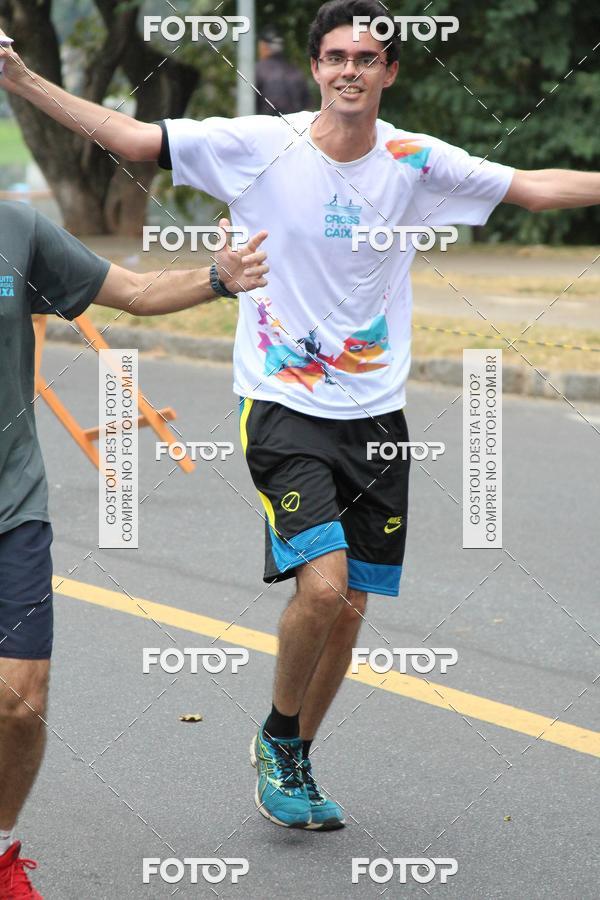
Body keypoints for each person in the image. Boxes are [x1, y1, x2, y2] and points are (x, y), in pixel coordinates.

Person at [2, 0, 600, 834]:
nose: (350, 68)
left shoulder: (416, 162)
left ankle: (294, 754)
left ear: (390, 71)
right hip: (282, 405)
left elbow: (535, 190)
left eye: (368, 56)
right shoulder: (259, 146)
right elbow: (131, 138)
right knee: (322, 586)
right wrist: (23, 78)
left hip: (378, 416)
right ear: (316, 69)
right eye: (335, 56)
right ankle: (280, 735)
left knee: (351, 605)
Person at [0, 199, 268, 898]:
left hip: (10, 505)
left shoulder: (17, 230)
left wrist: (218, 276)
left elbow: (134, 291)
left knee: (20, 698)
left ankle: (0, 852)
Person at [255, 26, 312, 116]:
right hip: (294, 126)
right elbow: (307, 106)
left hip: (266, 127)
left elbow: (247, 104)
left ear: (264, 47)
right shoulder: (295, 71)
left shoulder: (257, 70)